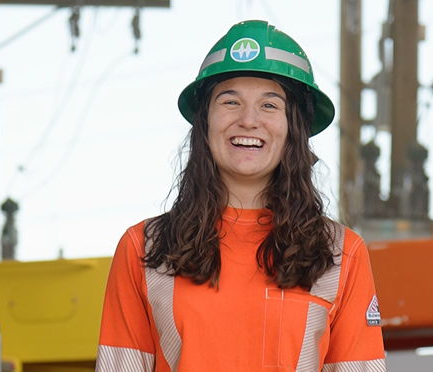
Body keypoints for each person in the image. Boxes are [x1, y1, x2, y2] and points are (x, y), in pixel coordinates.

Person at [95, 20, 386, 372]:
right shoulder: (144, 248)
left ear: (294, 128)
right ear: (204, 122)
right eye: (230, 101)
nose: (249, 120)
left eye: (269, 105)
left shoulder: (341, 253)